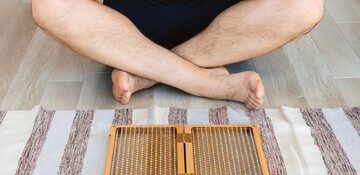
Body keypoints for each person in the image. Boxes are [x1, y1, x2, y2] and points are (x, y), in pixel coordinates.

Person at [31, 0, 324, 109]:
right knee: (48, 4)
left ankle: (145, 74)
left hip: (219, 19)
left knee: (306, 4)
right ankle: (206, 82)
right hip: (128, 19)